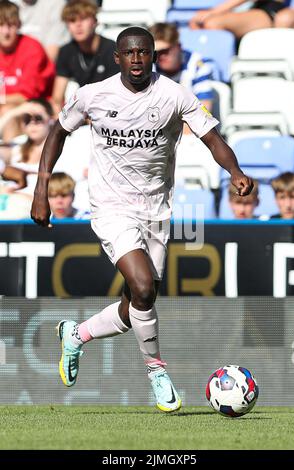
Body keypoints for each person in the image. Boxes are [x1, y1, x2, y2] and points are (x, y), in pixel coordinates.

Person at [31, 26, 253, 413]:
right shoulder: (93, 95)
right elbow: (57, 133)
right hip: (110, 206)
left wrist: (235, 172)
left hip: (157, 210)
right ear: (117, 58)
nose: (137, 60)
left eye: (144, 53)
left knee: (138, 300)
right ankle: (156, 371)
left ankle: (76, 334)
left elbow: (213, 139)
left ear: (153, 55)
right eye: (129, 53)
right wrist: (41, 190)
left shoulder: (175, 95)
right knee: (143, 285)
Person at [52, 0, 119, 115]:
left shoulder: (111, 48)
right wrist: (62, 122)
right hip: (80, 112)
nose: (78, 25)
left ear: (95, 21)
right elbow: (57, 98)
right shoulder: (66, 51)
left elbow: (116, 93)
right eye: (72, 21)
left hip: (109, 110)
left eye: (83, 19)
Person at [0, 0, 55, 141]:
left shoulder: (32, 48)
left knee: (8, 111)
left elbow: (26, 97)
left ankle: (11, 161)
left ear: (19, 24)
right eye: (1, 25)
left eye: (11, 25)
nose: (6, 32)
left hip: (37, 107)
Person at [149, 22, 214, 112]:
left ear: (178, 46)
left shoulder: (197, 65)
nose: (160, 56)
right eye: (155, 53)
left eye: (165, 51)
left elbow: (205, 107)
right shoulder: (148, 66)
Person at [189, 0, 289, 38]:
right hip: (251, 8)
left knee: (212, 23)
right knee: (198, 24)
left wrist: (213, 12)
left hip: (269, 10)